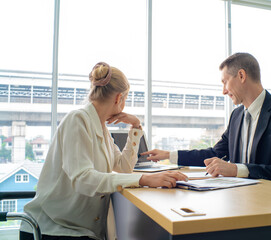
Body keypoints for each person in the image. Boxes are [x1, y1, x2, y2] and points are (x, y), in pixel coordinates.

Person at [20, 62, 187, 240]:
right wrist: (144, 178)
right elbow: (83, 179)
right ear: (119, 98)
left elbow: (124, 167)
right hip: (53, 229)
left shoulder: (102, 129)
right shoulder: (77, 119)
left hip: (81, 230)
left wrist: (136, 127)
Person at [142, 53, 271, 187]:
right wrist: (168, 155)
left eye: (225, 82)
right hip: (243, 199)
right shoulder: (237, 116)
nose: (223, 91)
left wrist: (237, 169)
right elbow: (215, 154)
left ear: (241, 75)